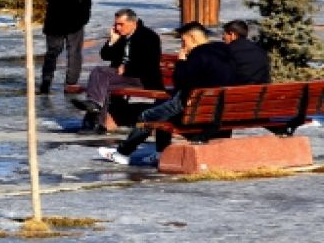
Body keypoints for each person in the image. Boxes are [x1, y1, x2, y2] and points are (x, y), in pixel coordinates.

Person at [98, 21, 234, 165]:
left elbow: (180, 81)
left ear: (193, 38)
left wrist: (181, 61)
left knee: (147, 116)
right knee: (162, 108)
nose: (183, 46)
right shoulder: (224, 53)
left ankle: (122, 153)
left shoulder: (198, 55)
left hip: (195, 110)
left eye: (184, 41)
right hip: (217, 112)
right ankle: (161, 153)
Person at [72, 8, 163, 134]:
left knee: (101, 80)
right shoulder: (121, 36)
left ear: (133, 23)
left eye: (121, 24)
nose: (117, 27)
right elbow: (105, 56)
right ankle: (95, 112)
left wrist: (127, 68)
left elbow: (149, 64)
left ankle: (94, 119)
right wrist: (112, 41)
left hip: (141, 79)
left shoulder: (149, 37)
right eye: (116, 24)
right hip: (122, 77)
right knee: (100, 77)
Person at [39, 0, 91, 94]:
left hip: (55, 19)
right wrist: (84, 18)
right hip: (75, 20)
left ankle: (46, 81)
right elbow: (87, 1)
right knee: (74, 52)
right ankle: (71, 83)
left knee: (52, 52)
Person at [222, 20, 270, 84]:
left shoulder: (226, 51)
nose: (223, 38)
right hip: (259, 92)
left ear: (232, 34)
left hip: (235, 92)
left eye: (224, 34)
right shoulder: (260, 51)